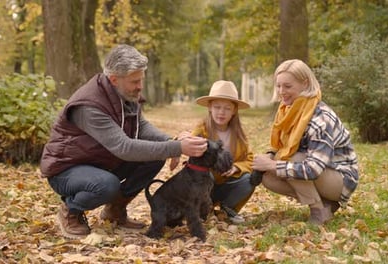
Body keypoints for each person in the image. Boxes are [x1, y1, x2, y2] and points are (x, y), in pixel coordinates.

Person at [40, 44, 208, 239]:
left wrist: (172, 140)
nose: (140, 86)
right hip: (67, 169)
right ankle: (70, 211)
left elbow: (142, 127)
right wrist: (176, 147)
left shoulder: (125, 94)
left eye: (141, 80)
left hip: (100, 161)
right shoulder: (89, 105)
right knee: (107, 185)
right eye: (134, 81)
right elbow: (123, 147)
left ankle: (115, 210)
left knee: (154, 157)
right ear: (114, 79)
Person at [251, 59, 359, 225]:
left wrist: (272, 165)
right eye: (279, 86)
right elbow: (281, 147)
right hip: (318, 170)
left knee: (290, 161)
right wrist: (268, 158)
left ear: (305, 83)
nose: (281, 91)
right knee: (268, 177)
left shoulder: (320, 117)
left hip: (340, 179)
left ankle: (319, 210)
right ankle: (325, 204)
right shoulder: (288, 110)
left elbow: (313, 169)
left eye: (287, 86)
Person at [193, 80, 255, 224]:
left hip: (227, 184)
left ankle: (227, 208)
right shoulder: (202, 130)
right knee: (204, 174)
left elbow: (250, 159)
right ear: (209, 107)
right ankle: (203, 209)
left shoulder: (238, 135)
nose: (221, 112)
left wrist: (236, 167)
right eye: (217, 107)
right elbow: (190, 147)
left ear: (234, 111)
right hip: (205, 186)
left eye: (227, 108)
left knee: (251, 178)